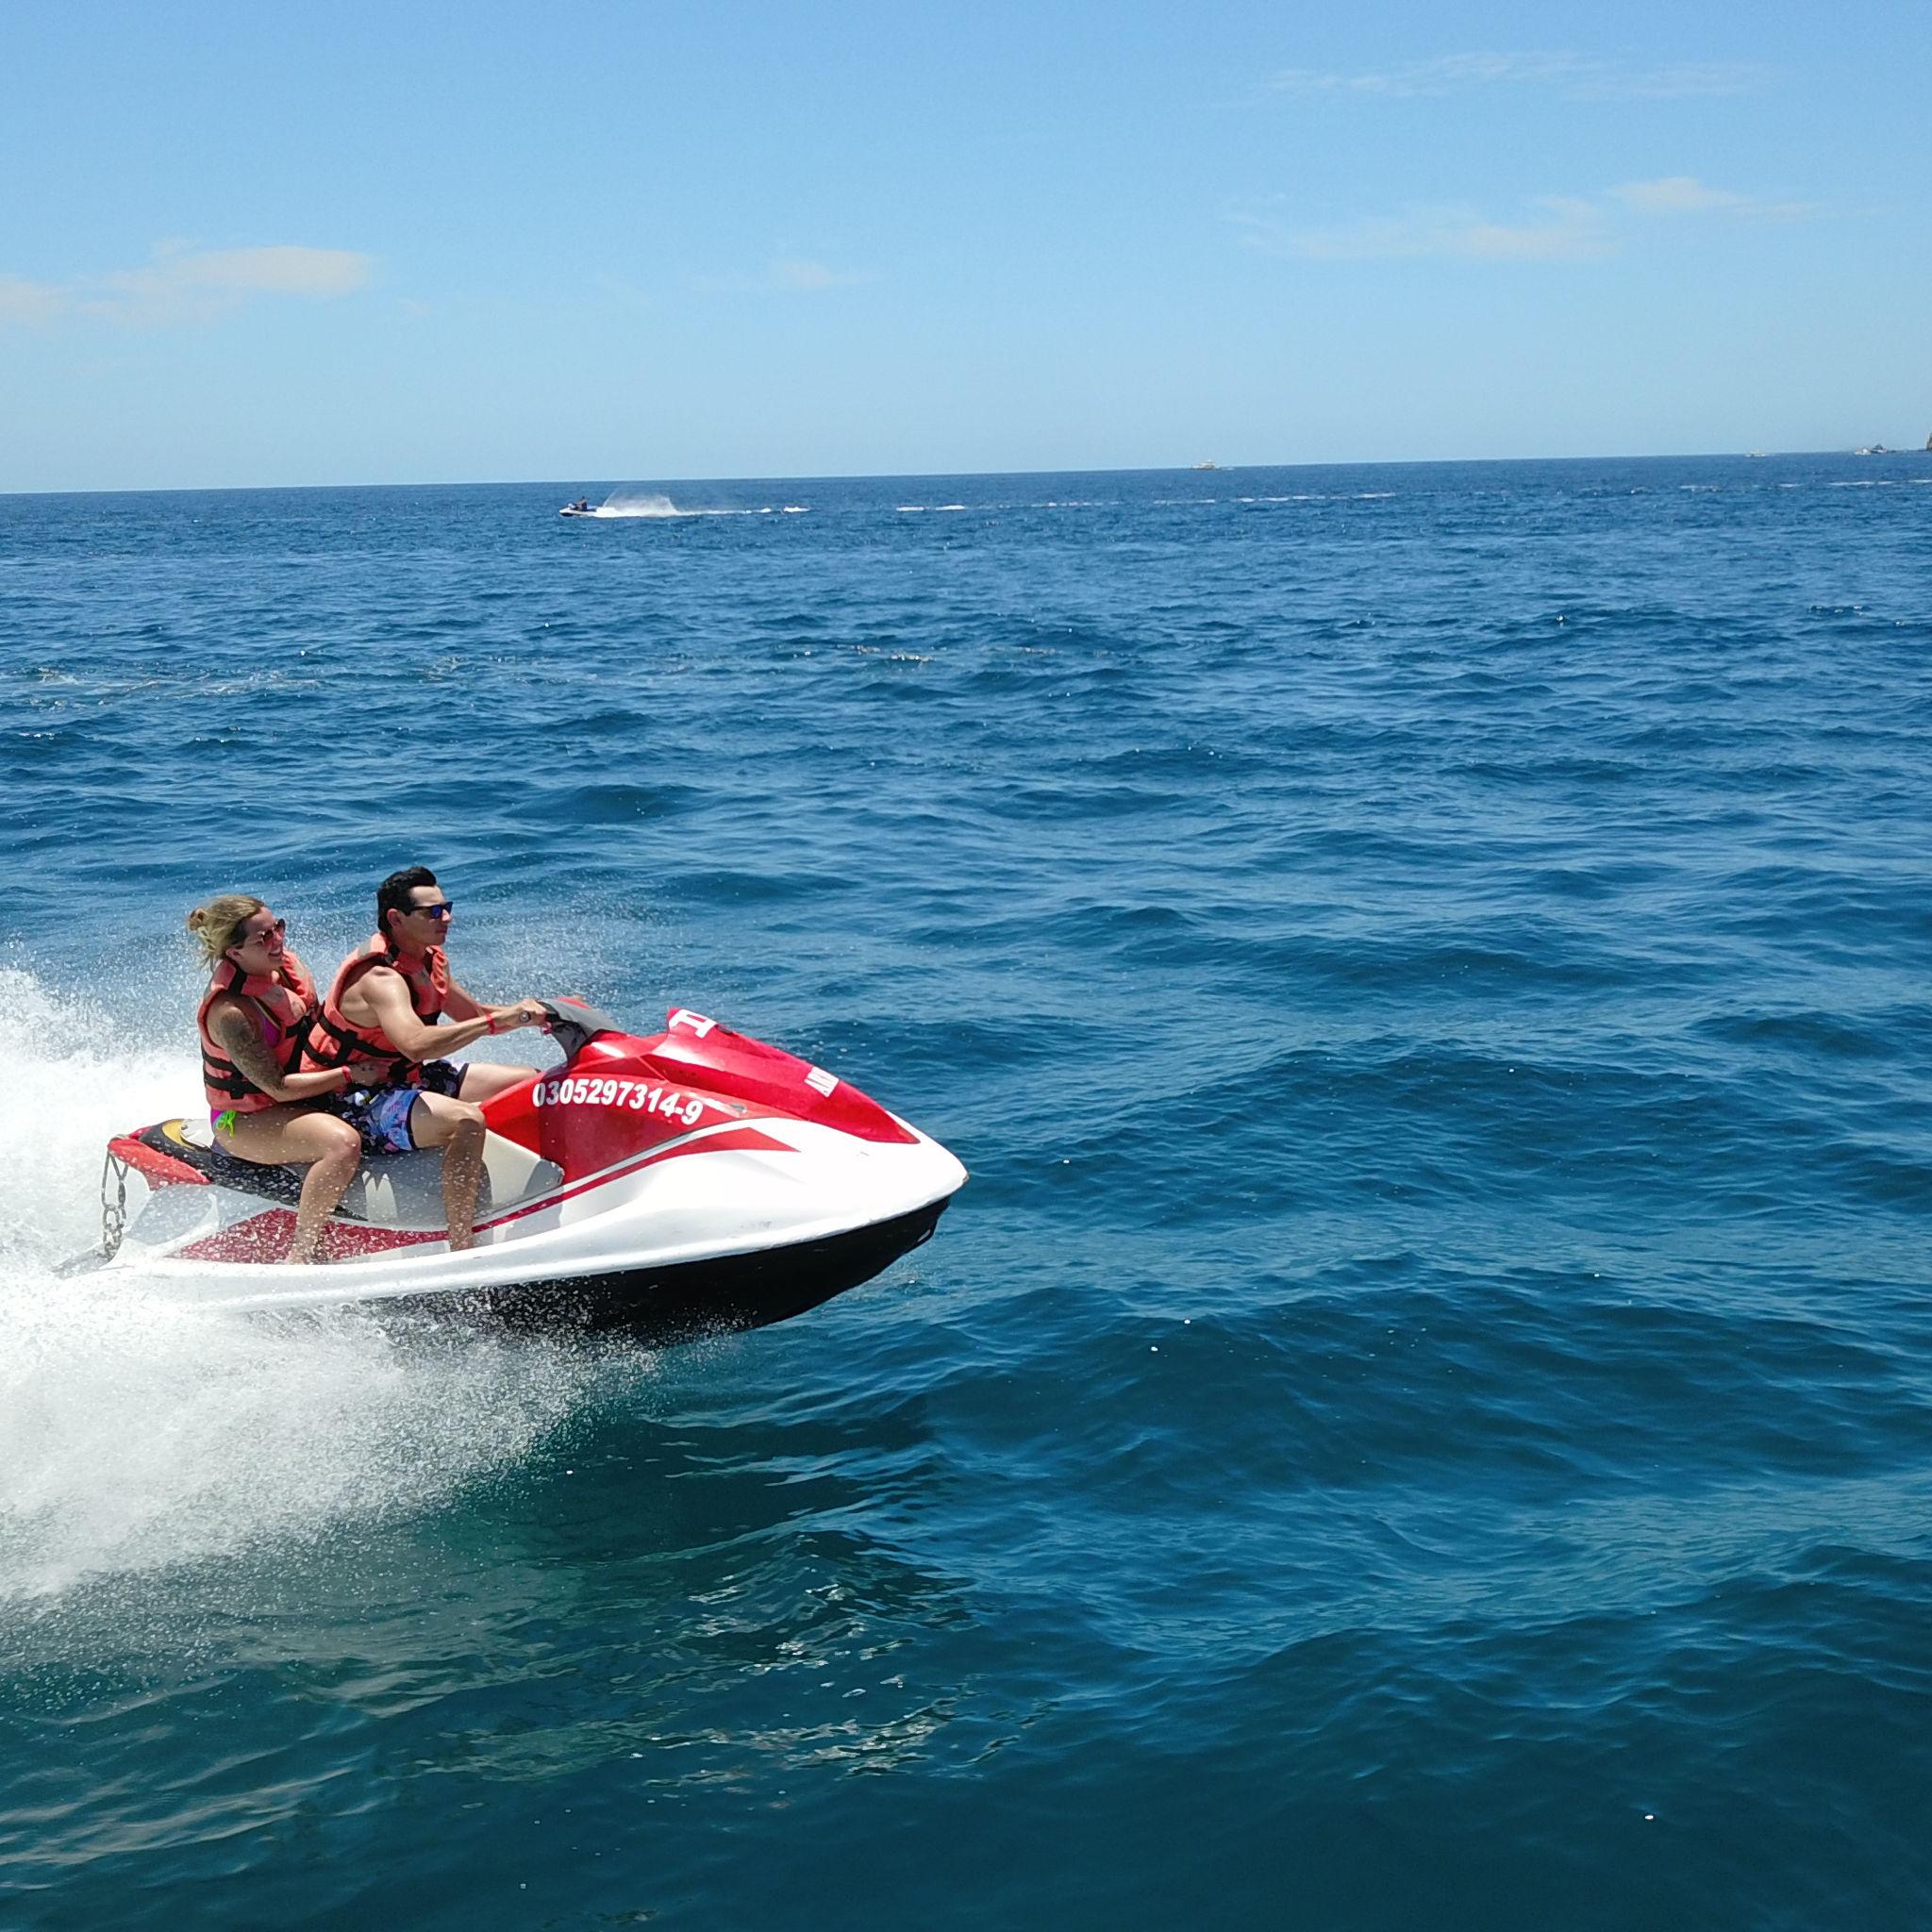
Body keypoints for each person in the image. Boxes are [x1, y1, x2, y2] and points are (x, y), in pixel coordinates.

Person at [302, 867, 549, 1251]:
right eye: (432, 913)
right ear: (396, 919)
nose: (446, 918)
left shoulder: (429, 960)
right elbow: (416, 1043)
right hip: (352, 1096)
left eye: (446, 908)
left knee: (535, 1082)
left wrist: (538, 1016)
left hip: (406, 1077)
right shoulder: (379, 978)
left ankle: (546, 1187)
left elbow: (472, 1015)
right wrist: (496, 1021)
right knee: (467, 1121)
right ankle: (461, 1243)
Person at [189, 893, 381, 1264]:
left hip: (300, 1099)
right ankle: (301, 1253)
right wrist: (348, 1074)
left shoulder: (284, 971)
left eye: (277, 928)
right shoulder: (231, 1011)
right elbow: (275, 1086)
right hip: (241, 1120)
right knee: (342, 1145)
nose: (278, 941)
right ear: (235, 953)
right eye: (263, 938)